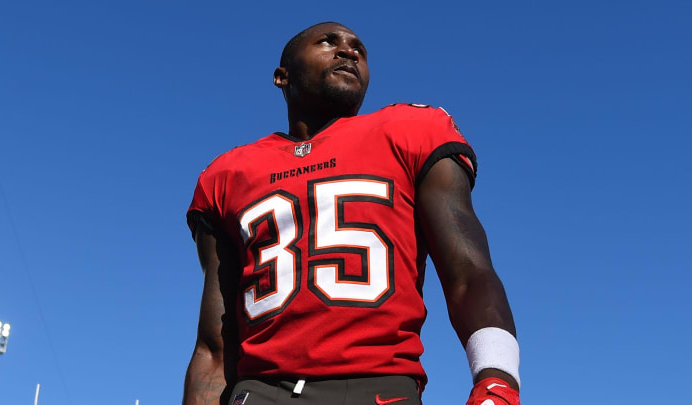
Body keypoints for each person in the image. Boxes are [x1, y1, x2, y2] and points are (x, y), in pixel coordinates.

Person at [183, 22, 521, 405]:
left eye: (358, 47)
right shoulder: (226, 175)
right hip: (260, 392)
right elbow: (214, 346)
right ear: (282, 76)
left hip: (375, 387)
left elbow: (469, 271)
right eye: (328, 42)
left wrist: (497, 378)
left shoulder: (410, 130)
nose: (349, 51)